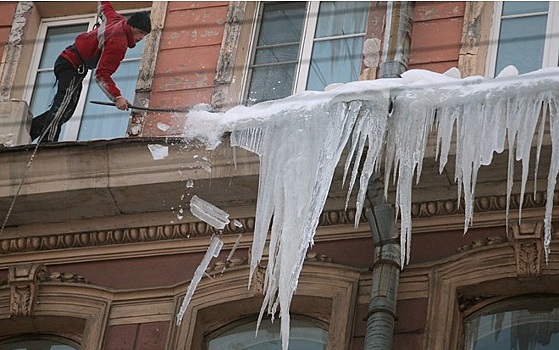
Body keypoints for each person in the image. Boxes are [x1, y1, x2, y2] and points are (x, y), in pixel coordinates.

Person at [30, 1, 151, 142]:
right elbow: (101, 75)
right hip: (71, 64)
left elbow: (104, 7)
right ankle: (46, 144)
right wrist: (117, 97)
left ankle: (31, 129)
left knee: (67, 110)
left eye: (145, 35)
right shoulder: (118, 43)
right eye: (141, 32)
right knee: (63, 105)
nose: (141, 38)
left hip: (69, 62)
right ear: (131, 26)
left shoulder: (117, 19)